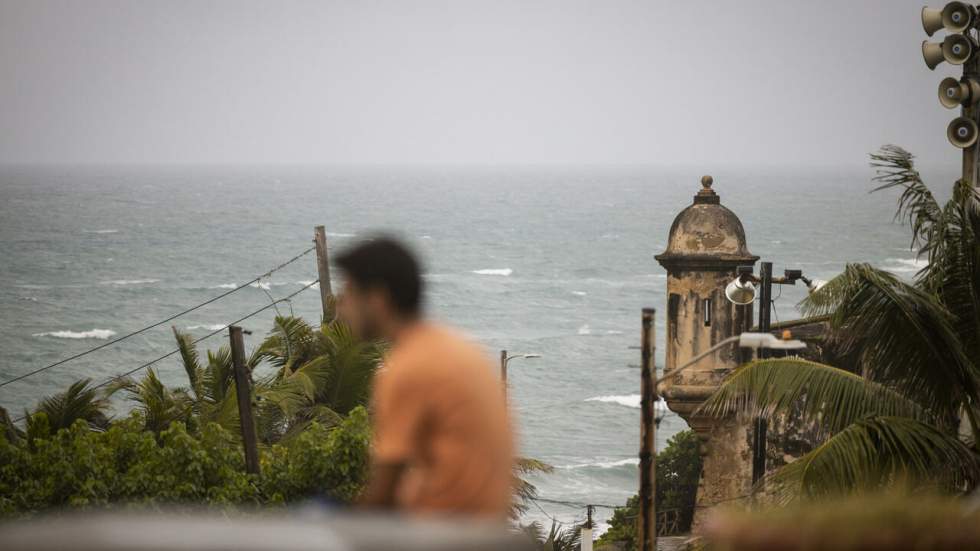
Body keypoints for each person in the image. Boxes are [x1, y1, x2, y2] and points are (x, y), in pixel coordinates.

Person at [334, 236, 515, 519]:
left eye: (349, 294)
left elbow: (384, 496)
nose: (340, 307)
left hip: (441, 534)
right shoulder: (456, 348)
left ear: (378, 300)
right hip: (483, 529)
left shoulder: (408, 368)